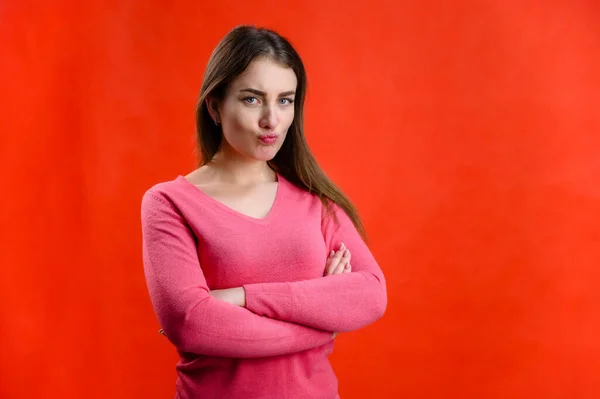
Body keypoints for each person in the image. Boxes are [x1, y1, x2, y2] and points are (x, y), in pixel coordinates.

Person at [140, 25, 387, 399]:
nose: (272, 120)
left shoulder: (316, 201)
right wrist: (320, 321)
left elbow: (370, 295)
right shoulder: (170, 203)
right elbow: (191, 323)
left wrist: (239, 298)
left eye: (285, 100)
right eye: (253, 99)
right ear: (214, 106)